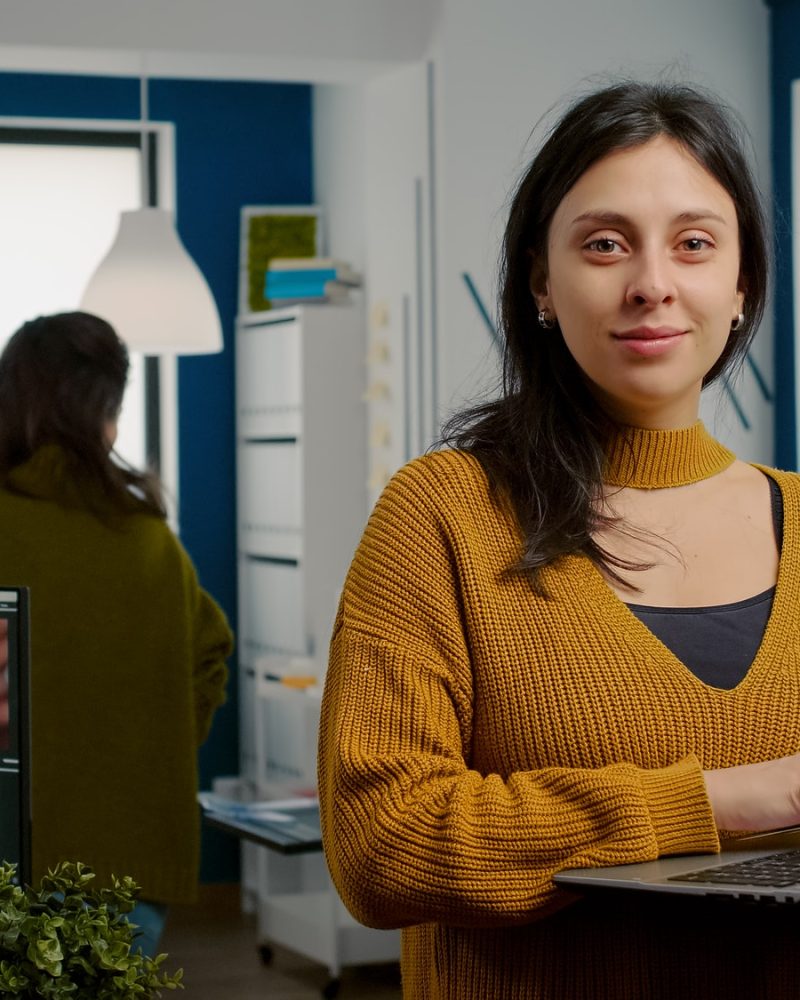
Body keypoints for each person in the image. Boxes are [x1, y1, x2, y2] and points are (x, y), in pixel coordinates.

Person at [318, 79, 800, 999]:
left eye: (694, 243)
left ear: (741, 286)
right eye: (605, 243)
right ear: (542, 282)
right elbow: (380, 843)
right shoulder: (443, 516)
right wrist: (721, 802)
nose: (652, 282)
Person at [0, 311, 233, 953]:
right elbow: (211, 652)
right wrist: (156, 746)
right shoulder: (146, 539)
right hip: (130, 865)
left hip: (10, 852)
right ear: (105, 416)